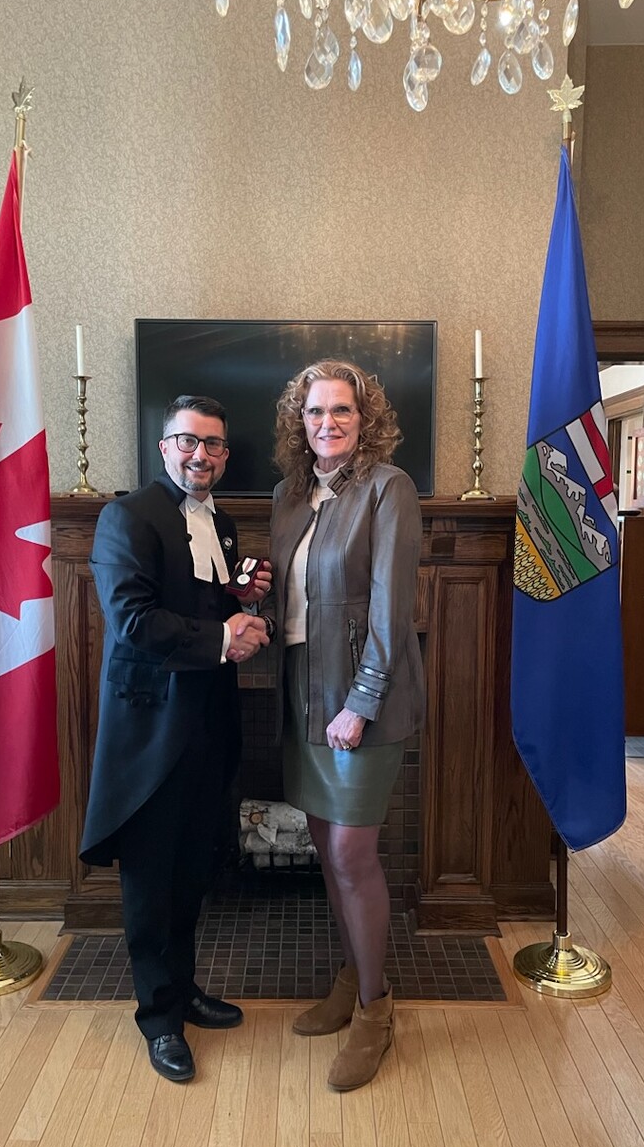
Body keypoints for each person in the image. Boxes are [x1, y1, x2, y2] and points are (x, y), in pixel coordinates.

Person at [80, 395, 271, 1083]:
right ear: (164, 448)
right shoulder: (125, 517)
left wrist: (240, 602)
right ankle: (157, 1018)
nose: (202, 455)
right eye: (189, 442)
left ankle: (183, 989)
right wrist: (225, 635)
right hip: (150, 731)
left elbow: (202, 608)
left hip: (208, 722)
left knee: (191, 869)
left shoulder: (219, 525)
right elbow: (134, 621)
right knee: (150, 879)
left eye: (215, 446)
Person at [269, 359, 425, 1092]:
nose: (326, 423)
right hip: (304, 691)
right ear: (298, 423)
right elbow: (296, 607)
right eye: (314, 412)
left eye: (341, 411)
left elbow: (393, 616)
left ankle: (375, 1010)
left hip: (363, 695)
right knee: (327, 851)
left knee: (354, 855)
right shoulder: (289, 495)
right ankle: (351, 976)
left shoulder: (388, 488)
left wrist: (359, 705)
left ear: (366, 420)